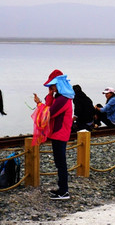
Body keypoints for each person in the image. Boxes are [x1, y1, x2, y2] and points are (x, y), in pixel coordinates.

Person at [33, 69, 74, 200]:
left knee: (61, 163)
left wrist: (39, 104)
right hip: (59, 134)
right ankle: (62, 189)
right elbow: (49, 107)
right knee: (59, 162)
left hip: (60, 134)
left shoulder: (64, 99)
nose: (51, 87)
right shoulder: (61, 98)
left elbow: (49, 112)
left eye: (53, 85)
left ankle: (64, 191)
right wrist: (49, 95)